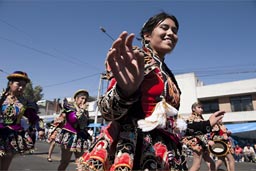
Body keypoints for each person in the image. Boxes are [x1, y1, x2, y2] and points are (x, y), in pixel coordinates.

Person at [78, 12, 225, 171]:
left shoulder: (167, 73)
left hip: (165, 152)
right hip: (135, 149)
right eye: (165, 28)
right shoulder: (136, 59)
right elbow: (108, 112)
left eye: (174, 31)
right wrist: (125, 91)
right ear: (147, 36)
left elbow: (170, 125)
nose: (171, 33)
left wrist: (206, 125)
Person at [0, 71, 44, 170]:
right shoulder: (1, 98)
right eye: (18, 84)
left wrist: (40, 128)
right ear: (10, 83)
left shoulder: (25, 103)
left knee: (4, 167)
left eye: (23, 86)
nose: (21, 88)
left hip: (12, 137)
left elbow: (34, 117)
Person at [55, 89, 92, 171]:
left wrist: (88, 136)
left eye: (85, 99)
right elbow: (73, 120)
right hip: (69, 138)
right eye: (82, 98)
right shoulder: (70, 108)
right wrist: (81, 110)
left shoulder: (85, 112)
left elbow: (84, 125)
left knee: (82, 163)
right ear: (76, 98)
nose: (84, 101)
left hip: (81, 139)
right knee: (65, 162)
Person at [182, 102, 216, 171]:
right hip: (196, 143)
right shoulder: (192, 118)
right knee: (197, 166)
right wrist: (208, 140)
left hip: (202, 143)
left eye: (202, 108)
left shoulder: (200, 118)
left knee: (212, 163)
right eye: (199, 108)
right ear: (193, 109)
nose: (201, 109)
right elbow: (195, 132)